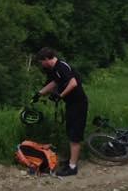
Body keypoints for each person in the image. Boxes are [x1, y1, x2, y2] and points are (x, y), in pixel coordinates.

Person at [33, 47, 89, 177]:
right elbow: (54, 83)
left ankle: (73, 167)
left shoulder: (61, 66)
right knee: (70, 132)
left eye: (41, 61)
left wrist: (61, 95)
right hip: (71, 104)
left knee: (75, 135)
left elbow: (73, 83)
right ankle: (71, 161)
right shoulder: (54, 70)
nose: (41, 64)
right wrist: (39, 93)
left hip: (79, 104)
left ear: (47, 59)